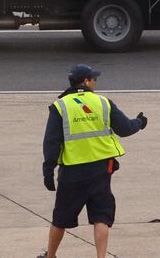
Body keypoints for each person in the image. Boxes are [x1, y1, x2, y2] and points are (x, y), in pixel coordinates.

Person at [39, 63, 147, 258]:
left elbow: (51, 141)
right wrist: (140, 122)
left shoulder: (60, 106)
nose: (95, 82)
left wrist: (48, 168)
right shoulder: (103, 102)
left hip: (72, 172)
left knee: (60, 218)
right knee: (101, 216)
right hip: (101, 169)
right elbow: (125, 128)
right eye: (94, 79)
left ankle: (50, 256)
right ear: (86, 81)